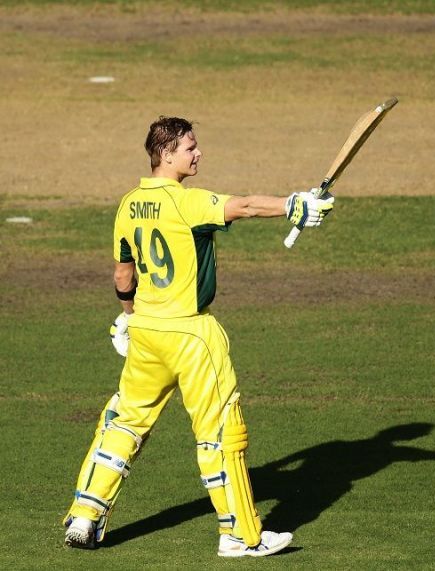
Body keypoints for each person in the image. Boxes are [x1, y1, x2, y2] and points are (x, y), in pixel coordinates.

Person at [63, 116, 334, 556]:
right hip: (192, 334)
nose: (198, 153)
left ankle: (85, 515)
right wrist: (293, 205)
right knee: (220, 433)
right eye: (190, 147)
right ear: (165, 154)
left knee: (124, 422)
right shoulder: (185, 203)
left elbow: (123, 271)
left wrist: (126, 318)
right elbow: (243, 207)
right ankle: (240, 534)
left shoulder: (129, 204)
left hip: (148, 333)